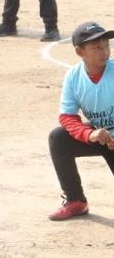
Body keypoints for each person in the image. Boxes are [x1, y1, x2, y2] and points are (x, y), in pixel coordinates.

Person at [46, 21, 114, 220]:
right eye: (96, 48)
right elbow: (67, 116)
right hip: (100, 136)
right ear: (80, 52)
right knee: (58, 138)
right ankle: (76, 200)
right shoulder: (73, 77)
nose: (104, 52)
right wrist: (90, 134)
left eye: (106, 46)